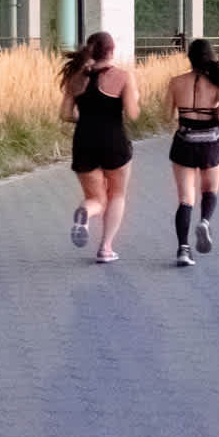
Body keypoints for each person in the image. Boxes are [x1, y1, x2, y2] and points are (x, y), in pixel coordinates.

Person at [60, 31, 140, 264]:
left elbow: (65, 114)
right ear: (112, 51)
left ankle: (85, 213)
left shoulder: (75, 79)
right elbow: (133, 114)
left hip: (84, 141)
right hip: (114, 142)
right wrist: (135, 97)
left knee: (96, 199)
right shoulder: (123, 76)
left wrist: (87, 119)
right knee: (117, 194)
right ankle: (105, 249)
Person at [168, 39, 219, 267]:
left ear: (189, 58)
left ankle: (183, 250)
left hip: (184, 143)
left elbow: (167, 115)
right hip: (210, 143)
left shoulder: (176, 82)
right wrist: (215, 120)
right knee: (210, 190)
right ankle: (205, 222)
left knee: (185, 199)